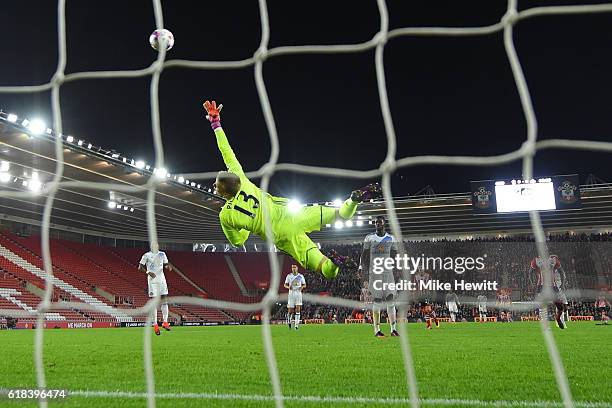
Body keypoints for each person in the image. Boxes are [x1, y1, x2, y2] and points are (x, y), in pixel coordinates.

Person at [203, 100, 381, 279]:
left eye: (216, 186)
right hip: (290, 212)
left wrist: (248, 223)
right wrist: (215, 123)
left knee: (324, 269)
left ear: (225, 193)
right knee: (340, 214)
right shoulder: (240, 177)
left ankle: (334, 263)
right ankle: (353, 200)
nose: (214, 186)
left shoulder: (226, 216)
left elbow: (238, 241)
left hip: (282, 234)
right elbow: (226, 150)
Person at [359, 216, 399, 337]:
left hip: (388, 273)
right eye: (376, 222)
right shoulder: (369, 238)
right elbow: (364, 254)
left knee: (390, 299)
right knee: (377, 300)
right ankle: (377, 330)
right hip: (375, 273)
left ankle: (393, 329)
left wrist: (396, 267)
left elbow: (395, 254)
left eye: (380, 222)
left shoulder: (391, 238)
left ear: (384, 224)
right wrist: (361, 267)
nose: (377, 224)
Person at [139, 242, 173, 336]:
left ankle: (165, 322)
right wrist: (148, 272)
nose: (155, 246)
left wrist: (168, 267)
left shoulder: (162, 254)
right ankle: (155, 325)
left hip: (162, 279)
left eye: (157, 245)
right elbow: (140, 267)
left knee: (164, 301)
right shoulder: (146, 255)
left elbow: (166, 264)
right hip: (152, 280)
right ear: (151, 246)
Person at [530, 254, 568, 329]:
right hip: (542, 287)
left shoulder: (553, 260)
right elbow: (530, 272)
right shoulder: (536, 260)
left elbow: (562, 272)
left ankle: (559, 320)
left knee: (560, 306)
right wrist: (532, 283)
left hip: (552, 286)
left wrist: (563, 284)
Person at [284, 264, 306, 330]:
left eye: (294, 267)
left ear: (297, 268)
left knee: (298, 309)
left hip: (298, 294)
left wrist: (301, 287)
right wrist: (288, 287)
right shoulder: (289, 276)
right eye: (292, 267)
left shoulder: (300, 276)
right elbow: (285, 284)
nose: (293, 268)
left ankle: (296, 326)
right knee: (290, 311)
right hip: (291, 294)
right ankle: (289, 321)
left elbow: (304, 285)